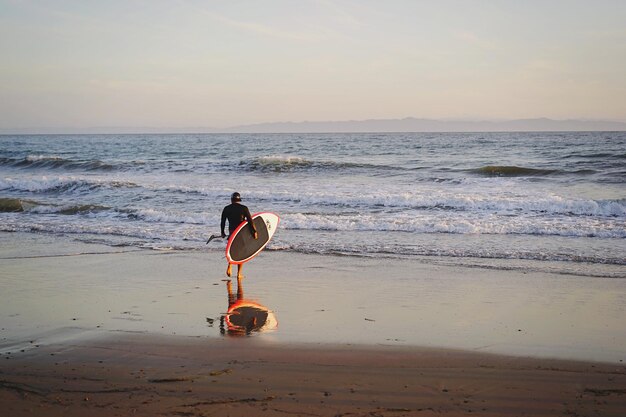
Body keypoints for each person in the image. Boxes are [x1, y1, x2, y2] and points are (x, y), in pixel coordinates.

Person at [221, 192, 257, 278]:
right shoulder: (244, 208)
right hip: (241, 232)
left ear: (231, 199)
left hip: (232, 231)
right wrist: (254, 232)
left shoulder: (226, 208)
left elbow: (222, 222)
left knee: (232, 249)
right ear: (239, 200)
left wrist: (222, 232)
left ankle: (230, 265)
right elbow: (250, 221)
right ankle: (239, 274)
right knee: (241, 253)